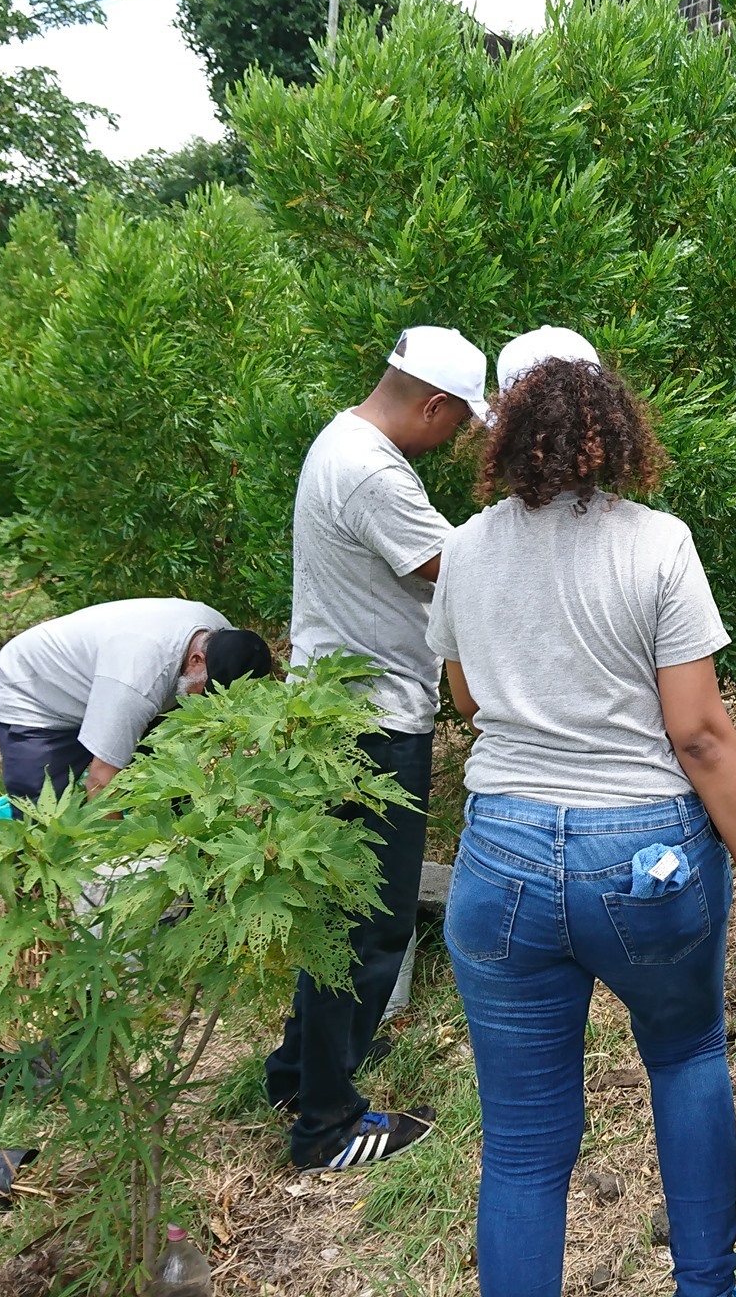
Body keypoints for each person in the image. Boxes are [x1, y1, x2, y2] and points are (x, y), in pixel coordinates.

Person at [428, 337, 736, 1297]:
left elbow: (467, 701)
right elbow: (699, 737)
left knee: (525, 1144)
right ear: (608, 418)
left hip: (502, 860)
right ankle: (708, 1286)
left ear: (504, 425)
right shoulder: (656, 543)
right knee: (687, 1054)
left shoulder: (464, 549)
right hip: (642, 861)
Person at [265, 324, 492, 1173]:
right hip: (367, 725)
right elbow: (466, 568)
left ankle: (296, 1073)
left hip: (336, 715)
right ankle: (326, 1125)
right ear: (431, 404)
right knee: (369, 924)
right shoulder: (371, 472)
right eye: (460, 424)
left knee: (338, 919)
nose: (456, 440)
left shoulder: (342, 441)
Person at [0, 599, 272, 800]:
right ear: (196, 660)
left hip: (108, 678)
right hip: (34, 691)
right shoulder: (138, 680)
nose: (210, 704)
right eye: (208, 693)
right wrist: (118, 864)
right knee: (46, 812)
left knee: (170, 775)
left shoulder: (220, 635)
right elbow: (100, 782)